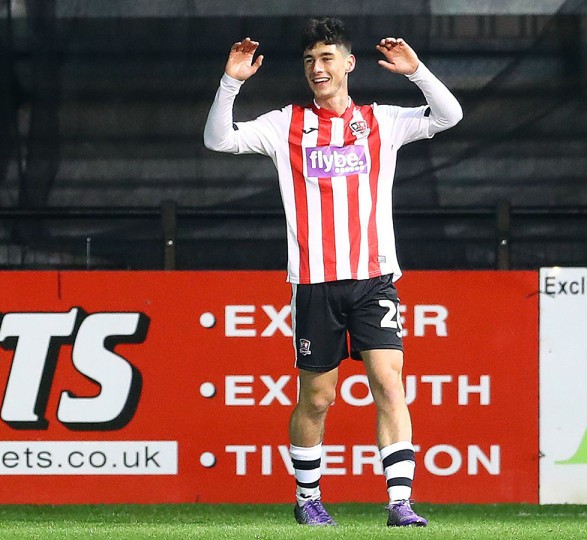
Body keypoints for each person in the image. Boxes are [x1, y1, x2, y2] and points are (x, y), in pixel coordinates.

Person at [204, 17, 462, 527]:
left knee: (389, 383)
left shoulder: (381, 121)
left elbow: (449, 115)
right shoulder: (285, 124)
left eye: (326, 58)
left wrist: (417, 72)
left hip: (374, 279)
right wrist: (230, 82)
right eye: (309, 61)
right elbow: (218, 141)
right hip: (314, 284)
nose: (316, 68)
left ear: (348, 64)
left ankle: (400, 503)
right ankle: (308, 498)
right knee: (318, 398)